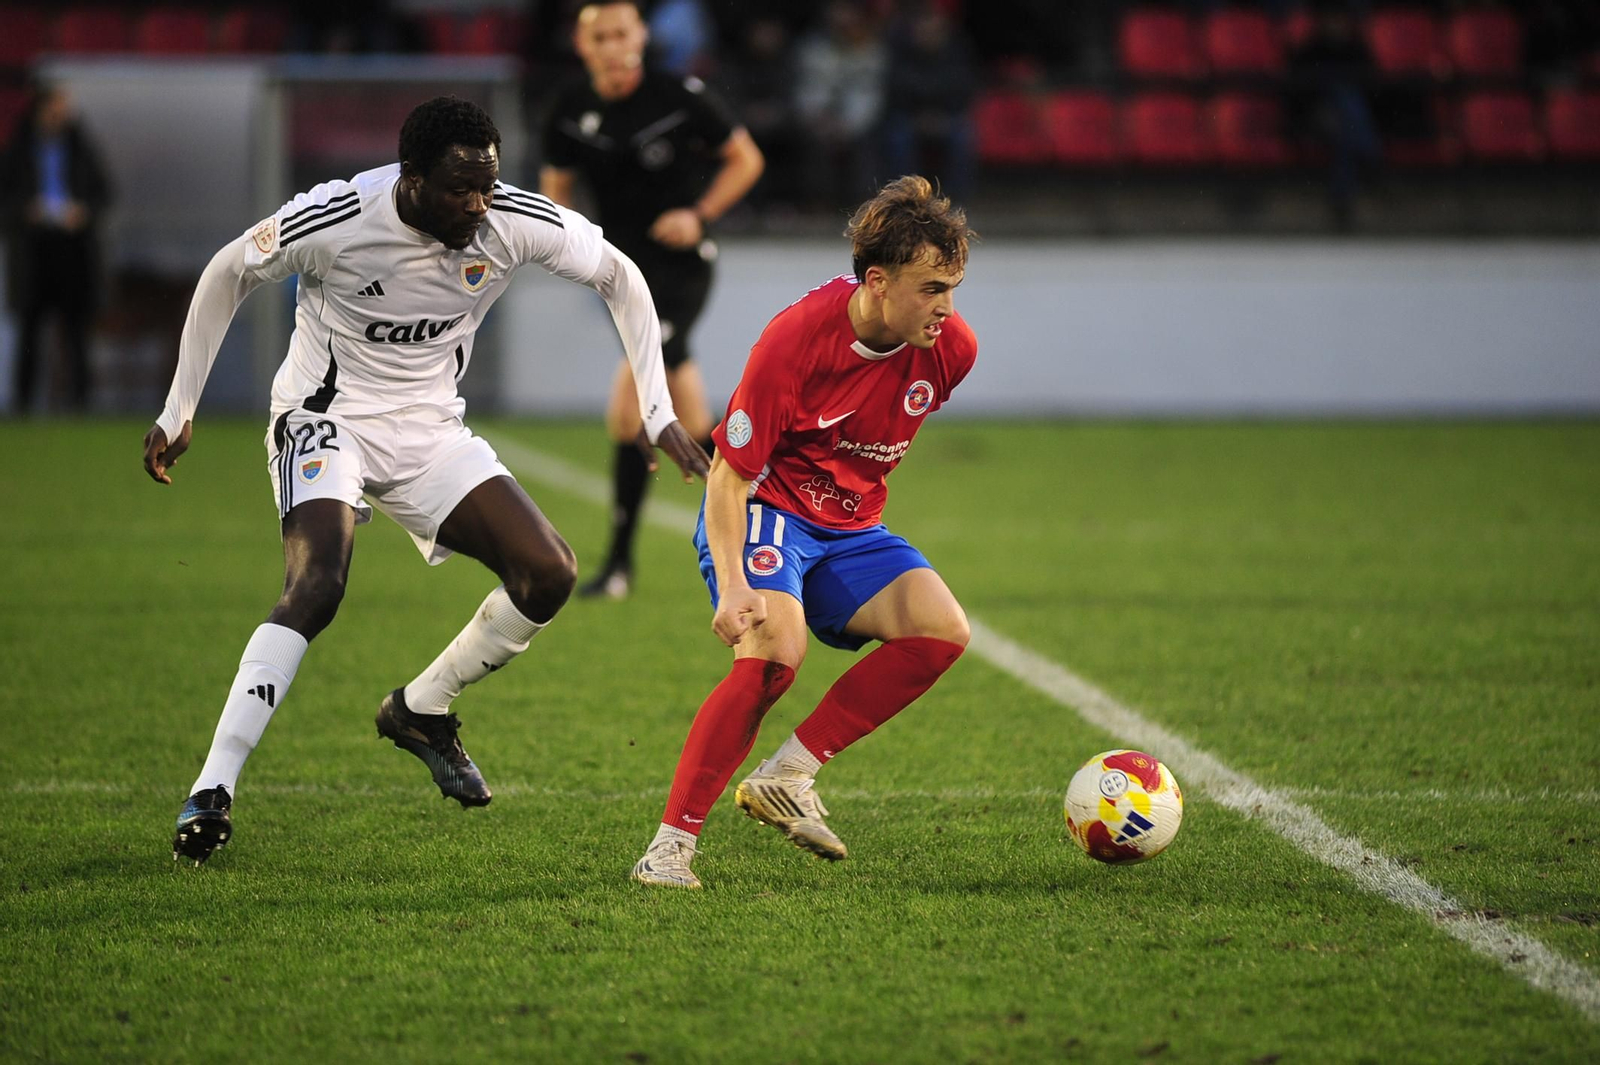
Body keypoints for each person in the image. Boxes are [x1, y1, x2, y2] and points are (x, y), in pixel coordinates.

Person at [143, 96, 708, 866]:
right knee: (318, 586)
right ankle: (213, 788)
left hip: (430, 431)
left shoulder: (509, 219)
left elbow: (620, 275)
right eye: (458, 190)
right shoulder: (338, 217)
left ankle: (420, 709)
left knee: (548, 573)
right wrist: (180, 408)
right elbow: (227, 271)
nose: (477, 206)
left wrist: (655, 409)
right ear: (410, 178)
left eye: (486, 187)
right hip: (325, 417)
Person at [631, 175, 976, 889]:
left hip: (850, 527)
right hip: (770, 509)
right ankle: (667, 849)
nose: (946, 308)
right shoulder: (795, 341)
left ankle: (788, 771)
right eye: (931, 288)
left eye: (952, 288)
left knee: (942, 630)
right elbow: (728, 476)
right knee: (773, 653)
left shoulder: (950, 350)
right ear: (877, 281)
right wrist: (733, 586)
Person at [540, 0, 764, 600]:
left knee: (629, 405)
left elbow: (747, 159)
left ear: (640, 36)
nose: (614, 45)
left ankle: (617, 566)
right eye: (601, 37)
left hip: (682, 268)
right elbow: (555, 193)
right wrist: (582, 249)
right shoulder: (569, 109)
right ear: (584, 46)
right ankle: (769, 487)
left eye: (622, 33)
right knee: (689, 421)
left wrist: (699, 214)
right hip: (624, 276)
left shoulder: (679, 95)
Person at [1, 83, 111, 414]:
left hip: (73, 248)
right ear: (41, 108)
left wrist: (83, 212)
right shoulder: (18, 150)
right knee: (30, 329)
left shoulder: (82, 148)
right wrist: (26, 210)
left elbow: (103, 194)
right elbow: (4, 200)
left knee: (76, 330)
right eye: (56, 107)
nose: (62, 114)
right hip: (33, 249)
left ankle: (80, 404)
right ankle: (23, 404)